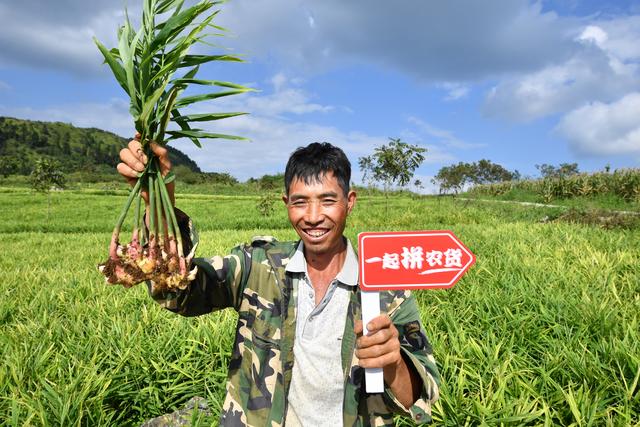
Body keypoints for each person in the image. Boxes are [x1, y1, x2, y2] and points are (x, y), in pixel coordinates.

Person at [117, 138, 440, 426]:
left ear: (349, 201)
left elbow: (419, 397)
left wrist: (392, 361)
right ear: (286, 204)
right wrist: (158, 200)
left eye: (328, 200)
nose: (313, 216)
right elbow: (181, 292)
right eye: (300, 202)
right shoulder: (259, 265)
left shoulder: (386, 289)